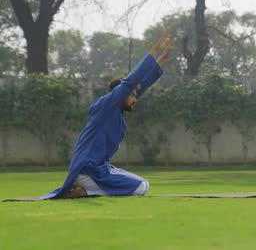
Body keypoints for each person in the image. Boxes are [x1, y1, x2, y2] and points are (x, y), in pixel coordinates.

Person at [42, 28, 176, 199]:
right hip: (88, 171)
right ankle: (87, 191)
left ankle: (86, 190)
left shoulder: (116, 109)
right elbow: (131, 82)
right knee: (141, 187)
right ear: (121, 93)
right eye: (133, 95)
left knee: (143, 184)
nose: (136, 99)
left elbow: (139, 85)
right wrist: (155, 50)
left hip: (98, 170)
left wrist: (161, 60)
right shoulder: (106, 105)